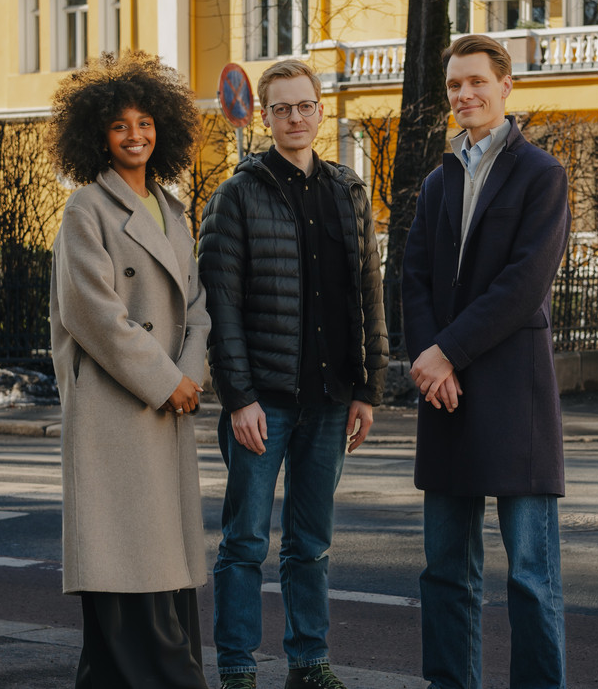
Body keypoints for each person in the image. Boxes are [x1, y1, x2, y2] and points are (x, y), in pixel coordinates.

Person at [199, 59, 389, 689]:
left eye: (305, 106)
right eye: (281, 108)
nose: (295, 118)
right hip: (264, 404)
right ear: (264, 116)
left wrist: (368, 387)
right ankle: (237, 669)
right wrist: (238, 398)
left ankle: (309, 663)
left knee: (311, 543)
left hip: (332, 400)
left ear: (321, 110)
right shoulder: (237, 194)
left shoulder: (348, 191)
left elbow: (369, 292)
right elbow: (218, 306)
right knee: (245, 543)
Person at [402, 34, 572, 689]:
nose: (464, 94)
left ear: (506, 87)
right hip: (442, 395)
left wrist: (446, 351)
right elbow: (413, 278)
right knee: (445, 571)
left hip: (514, 398)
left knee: (530, 575)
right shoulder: (438, 182)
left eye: (476, 82)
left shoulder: (542, 176)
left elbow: (523, 284)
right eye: (454, 85)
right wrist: (426, 358)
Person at [47, 50, 210, 689]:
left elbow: (196, 308)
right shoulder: (86, 210)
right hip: (118, 409)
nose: (135, 134)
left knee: (161, 562)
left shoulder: (173, 210)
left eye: (145, 122)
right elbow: (95, 315)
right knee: (125, 560)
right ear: (98, 135)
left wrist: (189, 376)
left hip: (169, 404)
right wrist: (169, 382)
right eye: (120, 125)